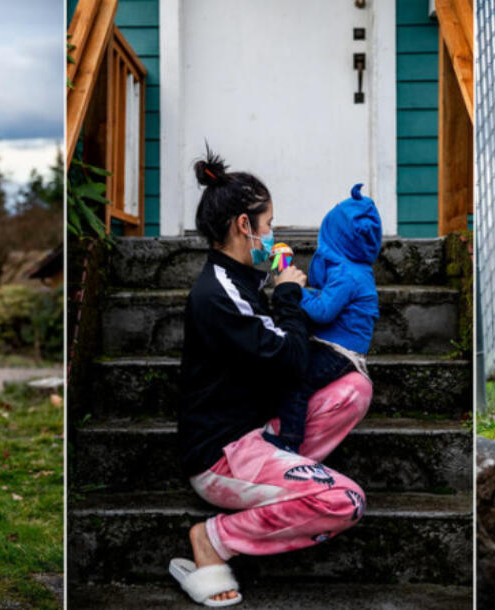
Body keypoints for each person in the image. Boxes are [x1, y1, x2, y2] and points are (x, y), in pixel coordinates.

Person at [170, 148, 371, 606]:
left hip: (258, 430)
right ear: (245, 225)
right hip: (222, 454)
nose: (272, 233)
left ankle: (288, 478)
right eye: (268, 224)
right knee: (346, 502)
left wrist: (285, 291)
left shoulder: (242, 278)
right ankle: (214, 538)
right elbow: (292, 360)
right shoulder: (219, 295)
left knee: (354, 389)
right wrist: (289, 298)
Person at [262, 183, 380, 454]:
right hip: (337, 347)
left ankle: (289, 441)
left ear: (335, 238)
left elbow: (323, 312)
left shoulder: (346, 275)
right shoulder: (355, 270)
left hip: (339, 352)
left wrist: (294, 290)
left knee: (297, 379)